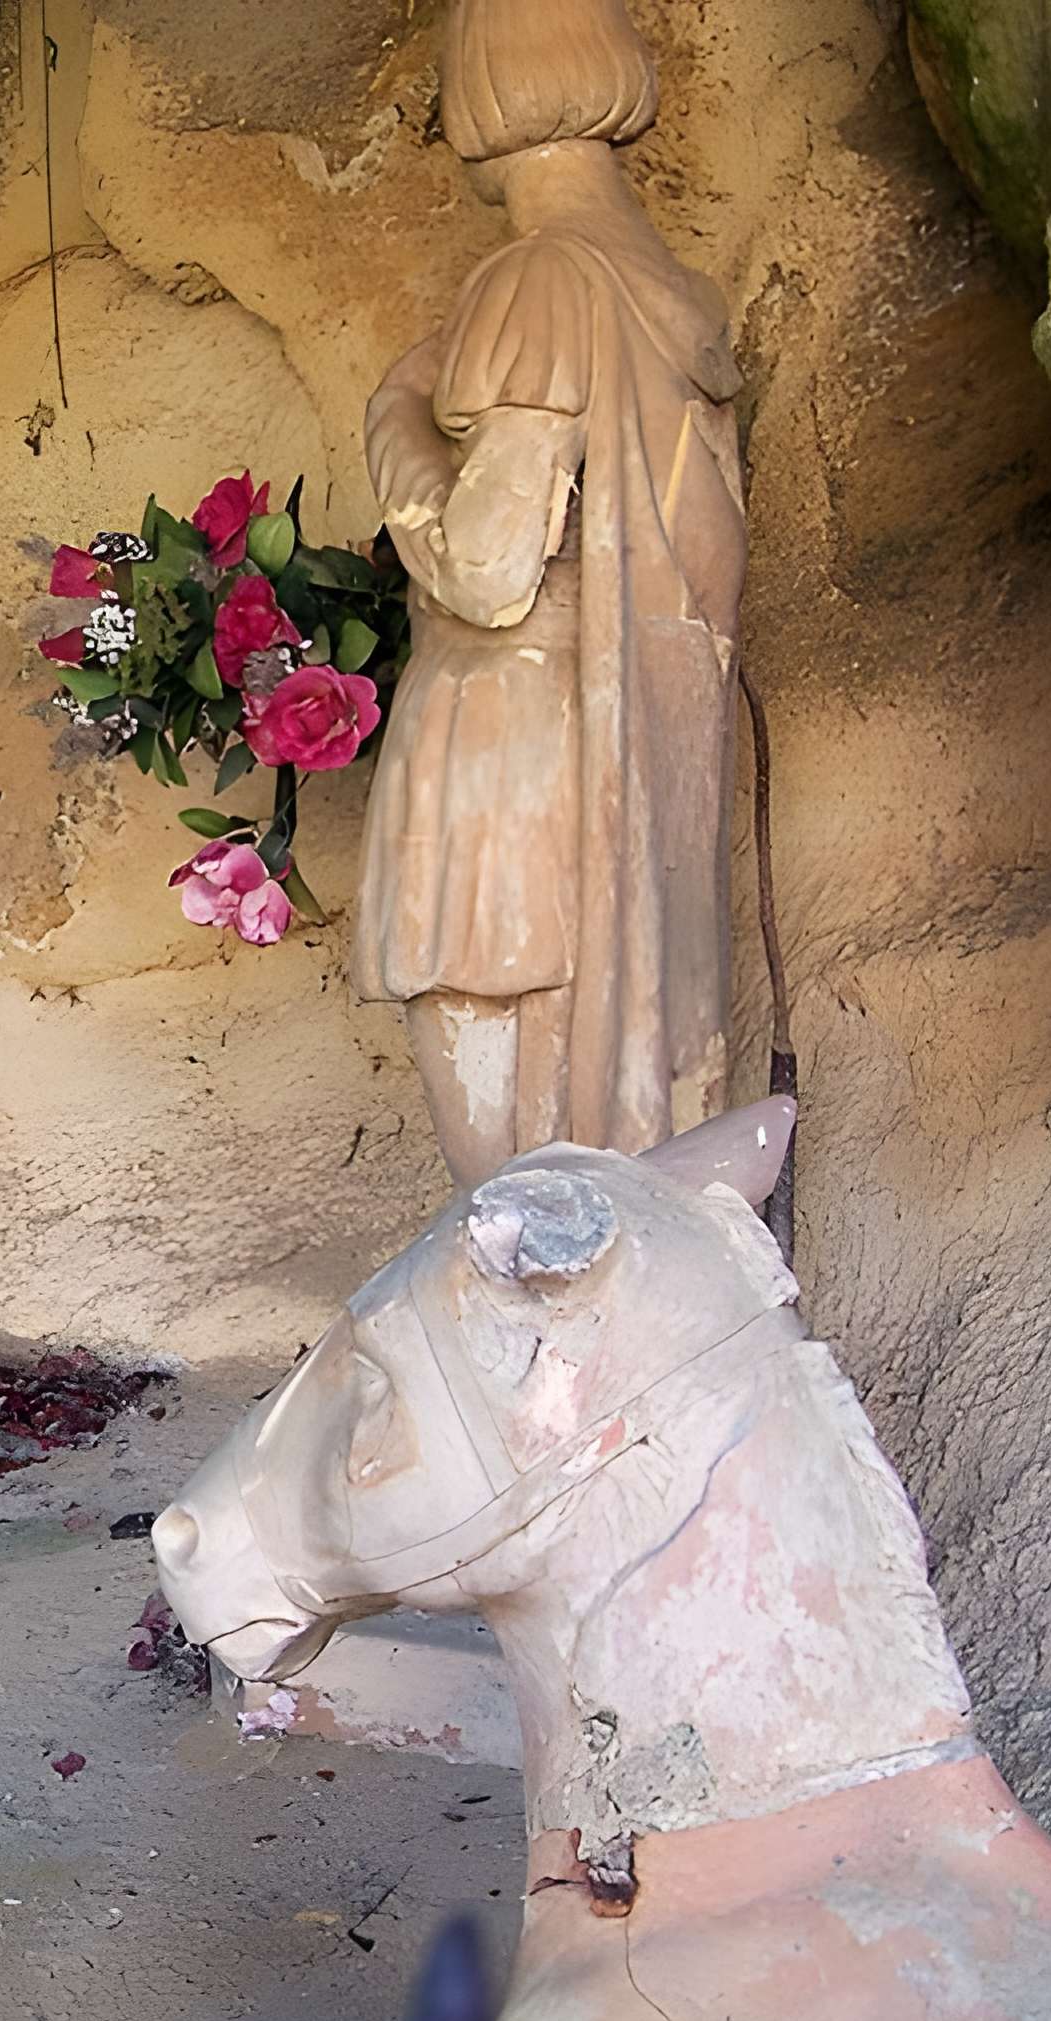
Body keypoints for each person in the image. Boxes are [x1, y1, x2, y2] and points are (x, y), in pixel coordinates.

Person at [351, 0, 746, 1185]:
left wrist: (392, 418)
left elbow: (484, 564)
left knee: (510, 1198)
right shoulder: (674, 302)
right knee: (582, 1169)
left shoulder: (537, 282)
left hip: (507, 754)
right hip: (614, 766)